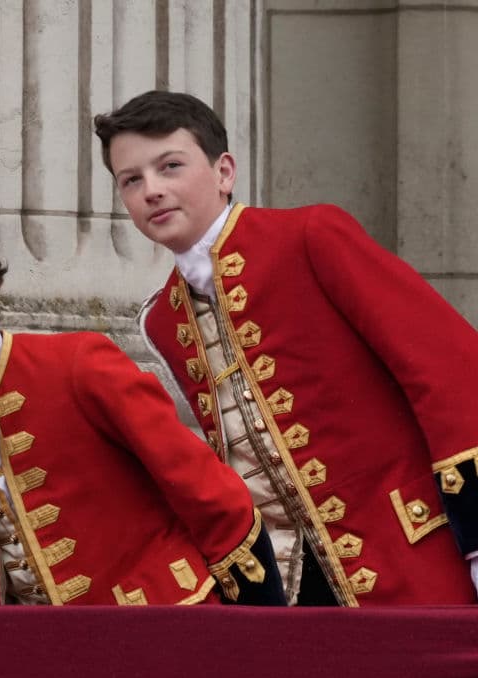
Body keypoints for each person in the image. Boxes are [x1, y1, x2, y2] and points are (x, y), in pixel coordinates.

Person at [94, 90, 478, 606]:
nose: (153, 190)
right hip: (290, 594)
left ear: (224, 172)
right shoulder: (164, 319)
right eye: (131, 180)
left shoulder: (310, 235)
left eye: (170, 167)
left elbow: (451, 369)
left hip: (413, 554)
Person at [0, 201, 284, 606]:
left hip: (165, 624)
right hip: (50, 653)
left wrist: (259, 631)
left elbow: (208, 491)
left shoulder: (78, 363)